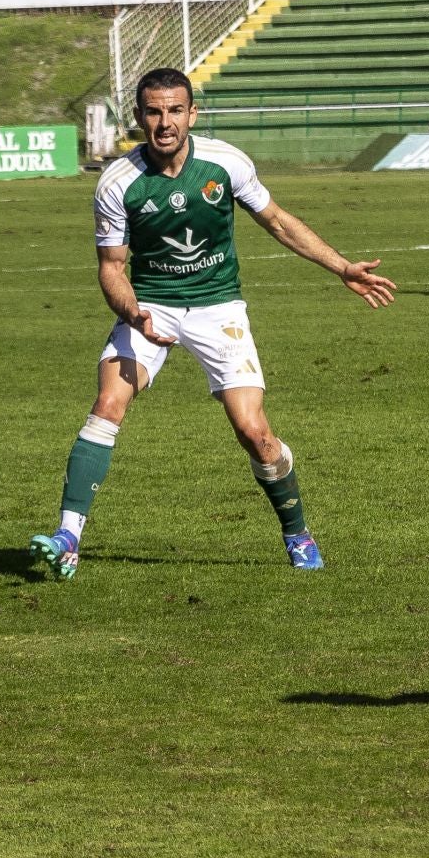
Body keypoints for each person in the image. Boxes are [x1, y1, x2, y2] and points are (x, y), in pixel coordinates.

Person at [26, 68, 396, 581]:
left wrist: (342, 267)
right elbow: (112, 268)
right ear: (139, 117)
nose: (164, 122)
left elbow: (279, 221)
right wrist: (136, 316)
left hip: (219, 308)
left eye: (175, 110)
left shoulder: (225, 163)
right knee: (108, 403)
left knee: (255, 433)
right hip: (150, 304)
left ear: (192, 113)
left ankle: (297, 532)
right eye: (154, 111)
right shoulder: (118, 182)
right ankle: (68, 537)